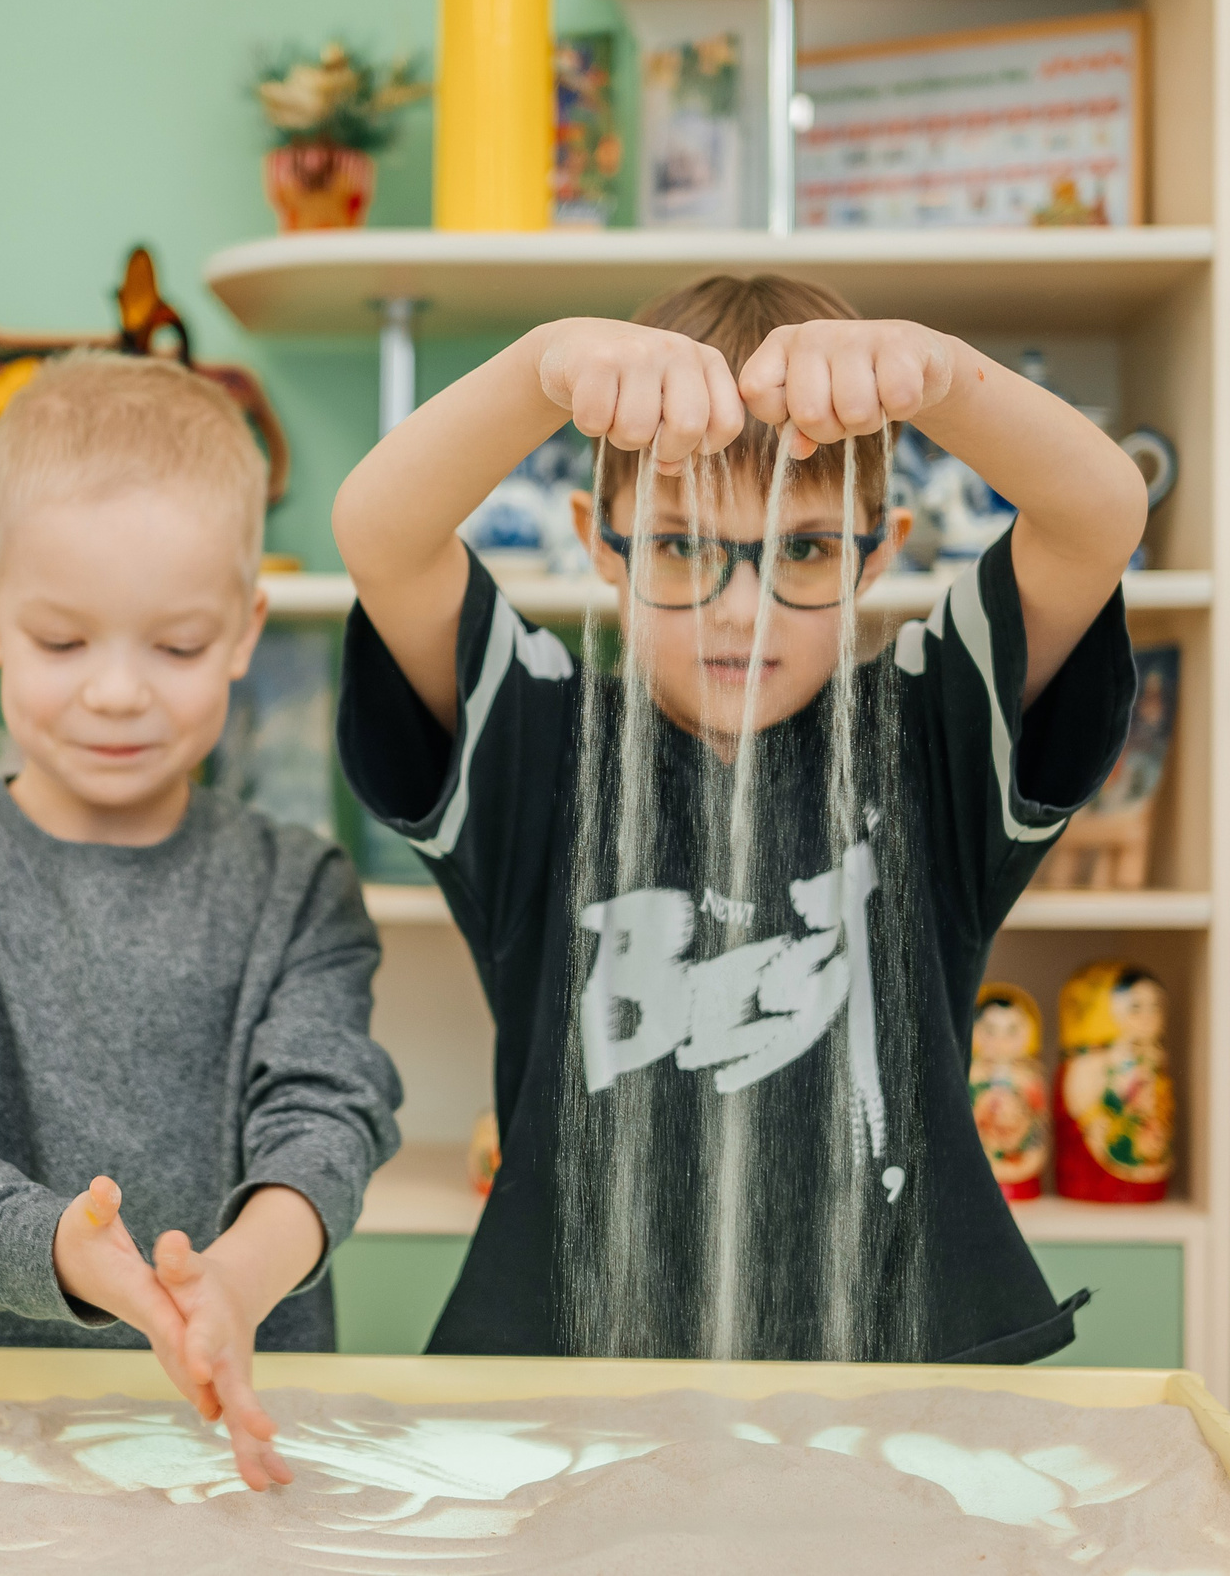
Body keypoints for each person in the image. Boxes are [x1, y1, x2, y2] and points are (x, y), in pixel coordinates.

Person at [331, 274, 1143, 1363]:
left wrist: (938, 372)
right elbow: (379, 533)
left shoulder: (926, 729)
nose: (738, 610)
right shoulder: (540, 739)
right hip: (572, 1383)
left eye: (803, 549)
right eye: (678, 546)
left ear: (879, 550)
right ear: (600, 542)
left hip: (895, 1380)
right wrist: (542, 365)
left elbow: (1100, 514)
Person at [0, 352, 402, 1490]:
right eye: (63, 641)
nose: (119, 690)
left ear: (243, 629)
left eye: (176, 646)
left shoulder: (301, 886)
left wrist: (234, 1280)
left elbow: (326, 1124)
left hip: (231, 1445)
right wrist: (62, 1251)